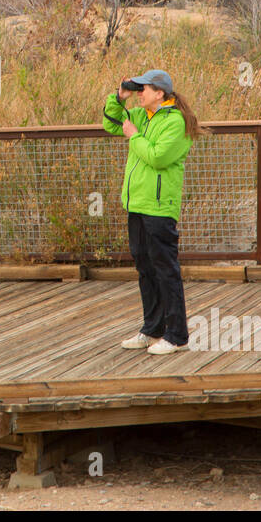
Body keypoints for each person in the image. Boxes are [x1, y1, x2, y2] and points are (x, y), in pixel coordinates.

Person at [101, 69, 202, 355]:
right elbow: (111, 124)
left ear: (160, 93)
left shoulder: (176, 122)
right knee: (145, 268)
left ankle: (176, 335)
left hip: (159, 207)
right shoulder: (140, 116)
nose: (140, 92)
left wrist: (134, 137)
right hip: (137, 204)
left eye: (143, 88)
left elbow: (158, 157)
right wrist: (119, 97)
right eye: (138, 88)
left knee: (165, 270)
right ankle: (152, 329)